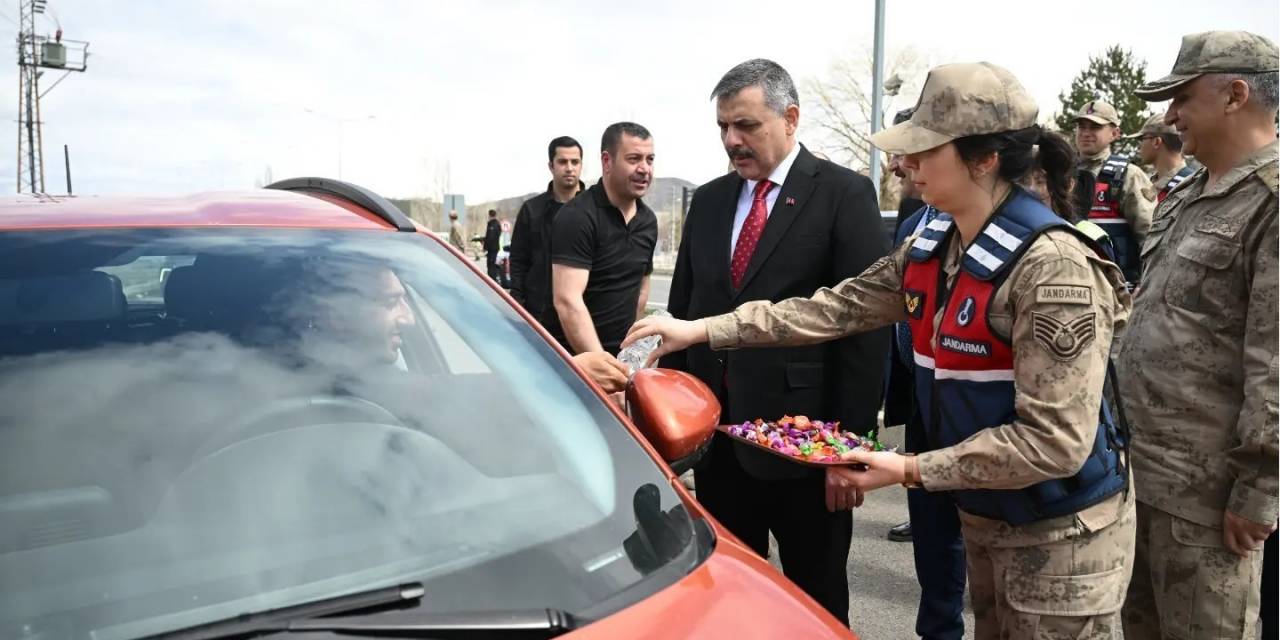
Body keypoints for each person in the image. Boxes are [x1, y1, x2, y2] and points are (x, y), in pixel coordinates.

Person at [627, 62, 1135, 639]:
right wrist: (702, 330)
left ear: (984, 158)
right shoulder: (934, 243)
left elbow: (1054, 442)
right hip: (987, 513)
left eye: (924, 150)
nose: (906, 163)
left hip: (1058, 533)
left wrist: (907, 468)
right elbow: (834, 308)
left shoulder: (1053, 268)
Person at [658, 58, 889, 625]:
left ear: (790, 118)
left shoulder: (843, 194)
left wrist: (846, 452)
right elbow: (687, 314)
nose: (732, 141)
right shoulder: (709, 201)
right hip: (717, 448)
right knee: (729, 598)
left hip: (804, 450)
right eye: (722, 128)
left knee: (815, 599)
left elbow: (864, 332)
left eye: (746, 126)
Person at [1116, 30, 1279, 640]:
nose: (1171, 115)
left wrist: (1261, 486)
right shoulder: (1187, 192)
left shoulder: (1271, 201)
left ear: (1236, 94)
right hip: (1142, 473)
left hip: (1211, 497)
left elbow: (1275, 360)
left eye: (1182, 98)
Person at [880, 106, 968, 639]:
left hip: (987, 429)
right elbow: (858, 303)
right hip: (925, 406)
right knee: (934, 548)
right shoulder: (919, 226)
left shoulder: (1034, 242)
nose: (898, 165)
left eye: (914, 151)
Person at [547, 122, 657, 354]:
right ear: (607, 161)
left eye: (650, 159)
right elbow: (567, 302)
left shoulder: (648, 221)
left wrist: (629, 353)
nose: (644, 168)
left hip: (620, 359)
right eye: (634, 159)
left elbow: (641, 289)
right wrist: (602, 365)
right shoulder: (577, 216)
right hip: (571, 363)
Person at [1074, 99, 1156, 285]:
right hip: (1073, 282)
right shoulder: (1061, 173)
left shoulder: (1128, 175)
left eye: (1094, 127)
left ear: (1115, 133)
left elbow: (1150, 237)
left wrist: (1147, 285)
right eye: (1081, 126)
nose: (1086, 133)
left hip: (1117, 288)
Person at [509, 136, 586, 322]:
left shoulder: (595, 211)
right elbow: (519, 260)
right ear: (551, 166)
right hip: (537, 313)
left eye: (575, 162)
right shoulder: (532, 210)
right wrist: (518, 304)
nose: (569, 168)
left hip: (582, 315)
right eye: (562, 162)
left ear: (581, 165)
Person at [1127, 113, 1194, 204]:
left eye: (1142, 139)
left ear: (1156, 142)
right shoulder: (1151, 184)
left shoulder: (1190, 188)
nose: (1139, 146)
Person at [484, 209, 502, 280]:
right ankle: (492, 280)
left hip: (492, 248)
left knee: (491, 265)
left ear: (489, 215)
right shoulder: (496, 223)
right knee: (492, 265)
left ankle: (491, 281)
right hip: (494, 248)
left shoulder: (493, 224)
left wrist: (485, 246)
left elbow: (491, 237)